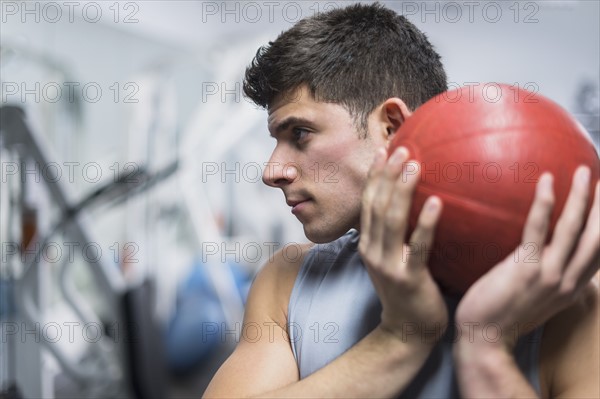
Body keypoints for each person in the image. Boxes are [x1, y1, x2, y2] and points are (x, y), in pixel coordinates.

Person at [204, 3, 599, 398]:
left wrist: (487, 352)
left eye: (301, 134)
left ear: (392, 127)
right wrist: (398, 340)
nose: (271, 171)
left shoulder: (566, 293)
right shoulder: (287, 281)